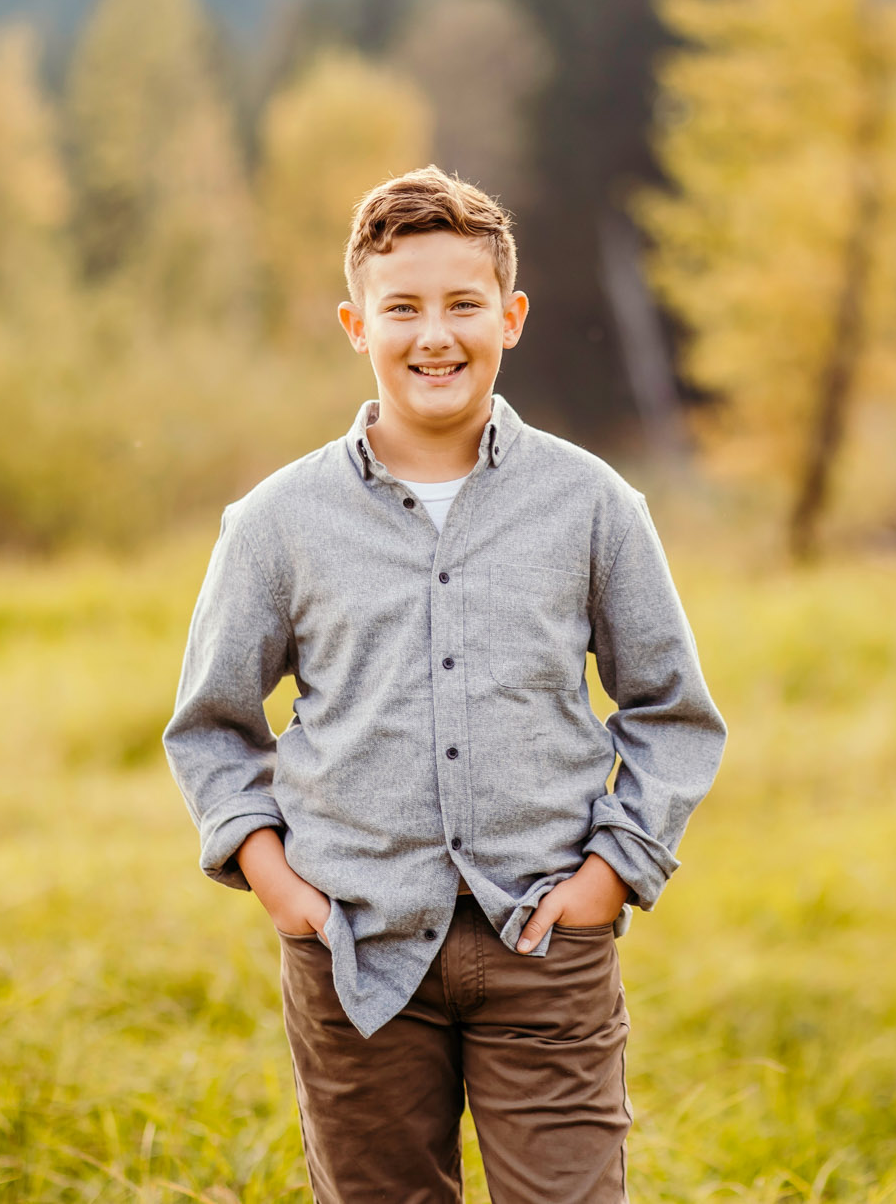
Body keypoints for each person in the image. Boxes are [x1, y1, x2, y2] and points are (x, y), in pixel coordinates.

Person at [162, 165, 728, 1203]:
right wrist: (282, 889)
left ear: (509, 317)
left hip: (544, 945)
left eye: (463, 304)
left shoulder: (591, 504)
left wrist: (608, 876)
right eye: (403, 308)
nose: (435, 335)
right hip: (354, 950)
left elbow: (670, 710)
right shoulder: (276, 524)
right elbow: (211, 727)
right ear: (354, 324)